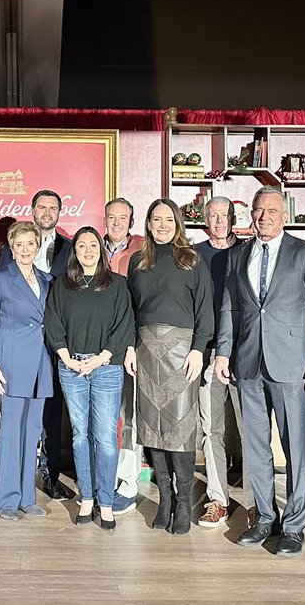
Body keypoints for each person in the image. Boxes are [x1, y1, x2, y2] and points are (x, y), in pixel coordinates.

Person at [215, 187, 305, 556]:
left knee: (295, 447)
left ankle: (294, 526)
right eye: (258, 210)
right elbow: (229, 310)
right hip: (248, 363)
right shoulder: (237, 256)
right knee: (255, 447)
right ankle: (266, 517)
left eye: (271, 211)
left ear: (284, 215)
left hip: (291, 364)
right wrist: (222, 353)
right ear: (250, 214)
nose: (264, 217)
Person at [124, 199, 213, 535]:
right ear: (147, 224)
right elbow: (130, 310)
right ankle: (164, 499)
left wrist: (198, 350)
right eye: (155, 219)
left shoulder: (192, 261)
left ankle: (183, 501)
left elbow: (205, 310)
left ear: (178, 224)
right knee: (152, 428)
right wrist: (130, 346)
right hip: (146, 350)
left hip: (181, 353)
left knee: (180, 429)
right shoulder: (138, 261)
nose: (162, 225)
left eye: (168, 220)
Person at [45, 227, 134, 531]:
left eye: (93, 244)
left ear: (101, 248)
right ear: (75, 251)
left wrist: (102, 357)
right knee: (80, 434)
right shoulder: (61, 286)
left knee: (106, 436)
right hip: (71, 367)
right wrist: (67, 357)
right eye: (81, 245)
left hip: (106, 367)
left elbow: (125, 325)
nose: (87, 249)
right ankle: (87, 497)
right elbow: (53, 323)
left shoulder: (117, 285)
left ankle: (106, 502)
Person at [0, 189, 73, 501]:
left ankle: (51, 476)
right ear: (32, 210)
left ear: (59, 212)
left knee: (52, 416)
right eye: (41, 207)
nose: (46, 212)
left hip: (55, 348)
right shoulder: (12, 249)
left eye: (52, 208)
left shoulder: (70, 248)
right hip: (18, 350)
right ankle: (16, 483)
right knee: (18, 420)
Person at [0, 221, 54, 520]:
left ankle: (27, 496)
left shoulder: (48, 280)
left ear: (39, 247)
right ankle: (6, 500)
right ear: (11, 247)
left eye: (31, 244)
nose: (25, 249)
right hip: (10, 364)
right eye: (19, 244)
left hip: (40, 364)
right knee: (10, 432)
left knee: (32, 431)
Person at [192, 196, 244, 529]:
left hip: (246, 353)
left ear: (233, 218)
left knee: (251, 430)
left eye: (224, 215)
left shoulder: (249, 252)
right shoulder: (195, 255)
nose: (219, 220)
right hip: (209, 351)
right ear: (205, 219)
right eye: (213, 215)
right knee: (211, 430)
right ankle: (217, 499)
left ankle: (256, 503)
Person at [101, 198, 145, 516]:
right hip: (98, 346)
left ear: (131, 221)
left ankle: (127, 485)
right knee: (103, 416)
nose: (117, 222)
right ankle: (104, 479)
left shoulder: (145, 249)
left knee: (128, 416)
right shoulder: (91, 246)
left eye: (123, 217)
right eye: (111, 217)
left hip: (132, 344)